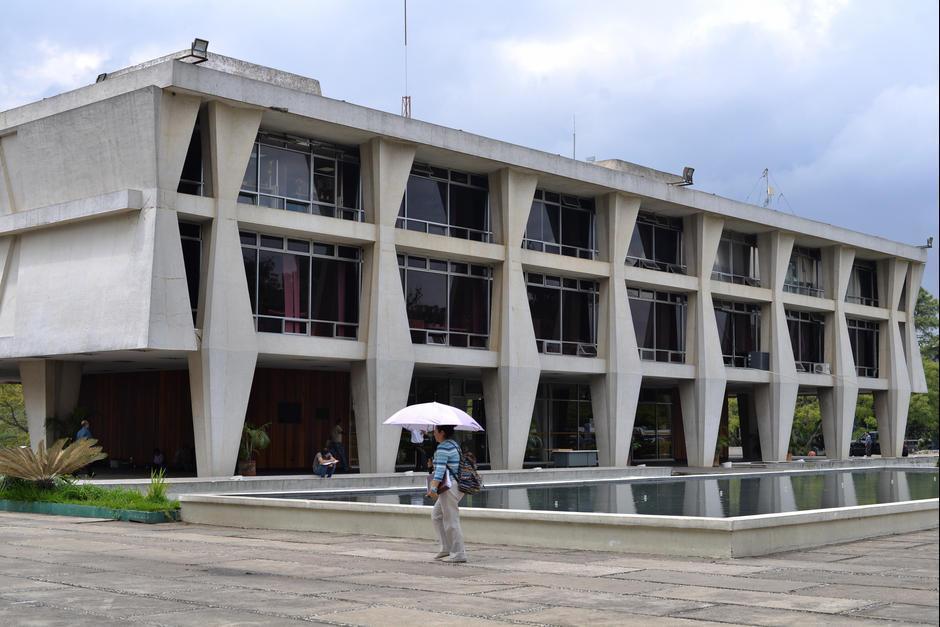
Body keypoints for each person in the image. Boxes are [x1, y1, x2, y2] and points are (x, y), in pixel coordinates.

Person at [426, 425, 466, 563]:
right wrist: (432, 464)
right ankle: (446, 548)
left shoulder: (443, 447)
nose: (433, 434)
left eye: (435, 431)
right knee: (436, 515)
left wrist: (433, 489)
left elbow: (441, 471)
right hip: (455, 486)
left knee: (451, 521)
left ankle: (459, 554)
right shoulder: (453, 444)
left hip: (449, 487)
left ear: (442, 432)